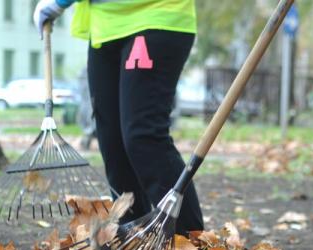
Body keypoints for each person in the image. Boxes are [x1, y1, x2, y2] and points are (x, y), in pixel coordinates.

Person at [34, 0, 204, 235]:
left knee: (142, 136)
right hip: (105, 28)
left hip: (155, 15)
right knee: (111, 141)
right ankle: (132, 239)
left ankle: (191, 242)